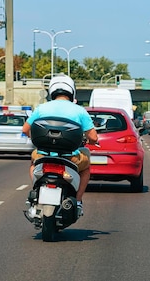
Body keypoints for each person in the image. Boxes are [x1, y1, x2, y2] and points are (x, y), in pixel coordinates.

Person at [22, 74, 99, 216]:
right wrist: (91, 141)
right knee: (86, 167)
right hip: (70, 158)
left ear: (52, 91)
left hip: (43, 155)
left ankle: (36, 190)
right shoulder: (79, 110)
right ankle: (78, 200)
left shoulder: (42, 108)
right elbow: (93, 137)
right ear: (72, 92)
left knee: (33, 162)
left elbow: (25, 129)